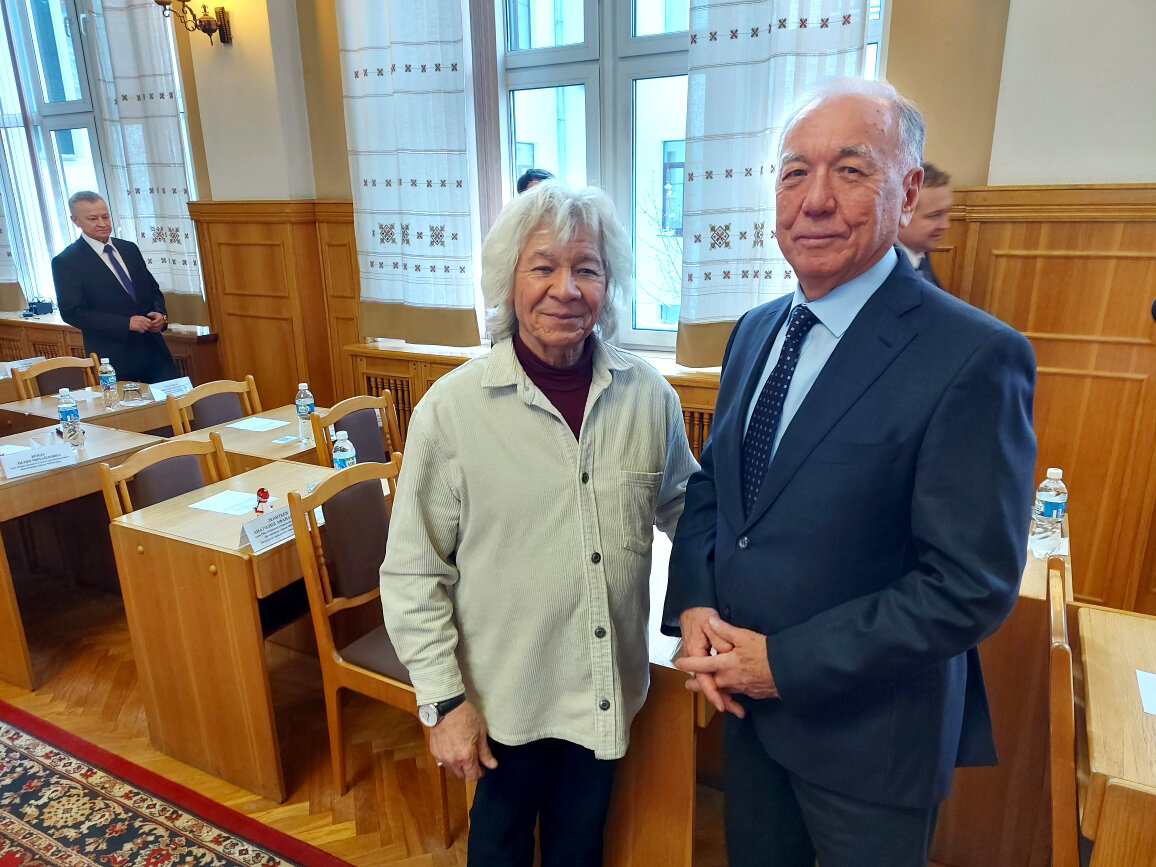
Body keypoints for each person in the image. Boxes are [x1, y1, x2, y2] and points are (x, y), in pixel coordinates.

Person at [662, 78, 1037, 867]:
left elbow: (968, 584)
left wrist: (783, 665)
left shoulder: (972, 354)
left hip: (872, 746)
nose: (816, 200)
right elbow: (714, 489)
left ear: (908, 192)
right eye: (795, 172)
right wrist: (694, 601)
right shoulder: (754, 331)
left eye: (852, 170)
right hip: (749, 719)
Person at [380, 182, 698, 865]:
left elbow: (687, 510)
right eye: (543, 266)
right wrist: (445, 703)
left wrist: (711, 601)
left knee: (579, 849)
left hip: (605, 689)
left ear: (608, 284)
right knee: (497, 848)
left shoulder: (648, 397)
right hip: (504, 700)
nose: (566, 289)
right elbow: (413, 570)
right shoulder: (452, 411)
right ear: (509, 281)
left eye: (587, 268)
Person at [53, 191, 178, 383]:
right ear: (75, 221)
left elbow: (152, 290)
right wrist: (125, 323)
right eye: (93, 219)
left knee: (174, 400)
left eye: (105, 217)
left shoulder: (129, 249)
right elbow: (73, 312)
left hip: (155, 353)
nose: (102, 223)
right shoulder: (67, 261)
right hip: (114, 358)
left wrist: (161, 315)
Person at [897, 162, 953, 287]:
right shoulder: (882, 268)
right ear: (902, 214)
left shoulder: (919, 251)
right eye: (935, 215)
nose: (945, 225)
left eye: (946, 212)